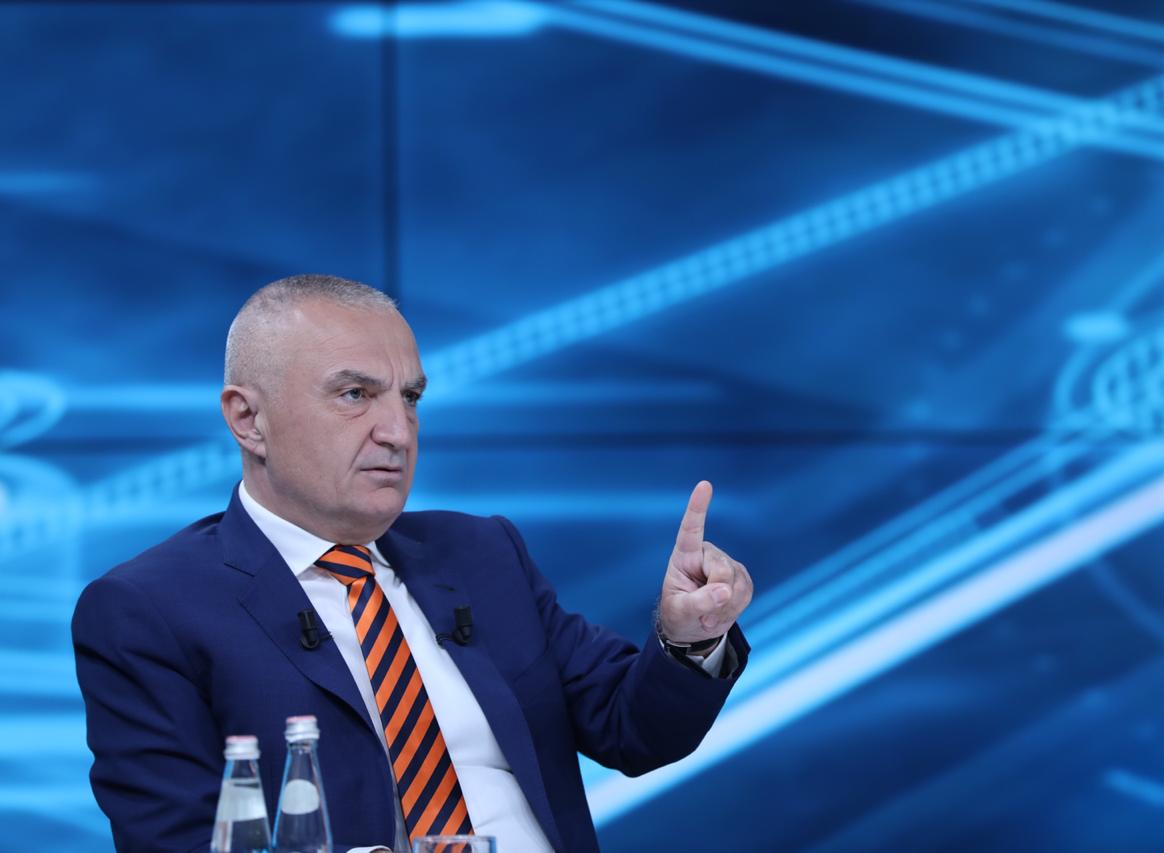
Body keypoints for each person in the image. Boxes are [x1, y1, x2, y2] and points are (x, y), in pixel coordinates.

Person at [72, 275, 752, 853]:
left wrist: (689, 638)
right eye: (354, 394)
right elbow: (176, 840)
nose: (398, 431)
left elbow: (635, 730)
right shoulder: (149, 610)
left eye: (411, 398)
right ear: (249, 419)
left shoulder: (482, 553)